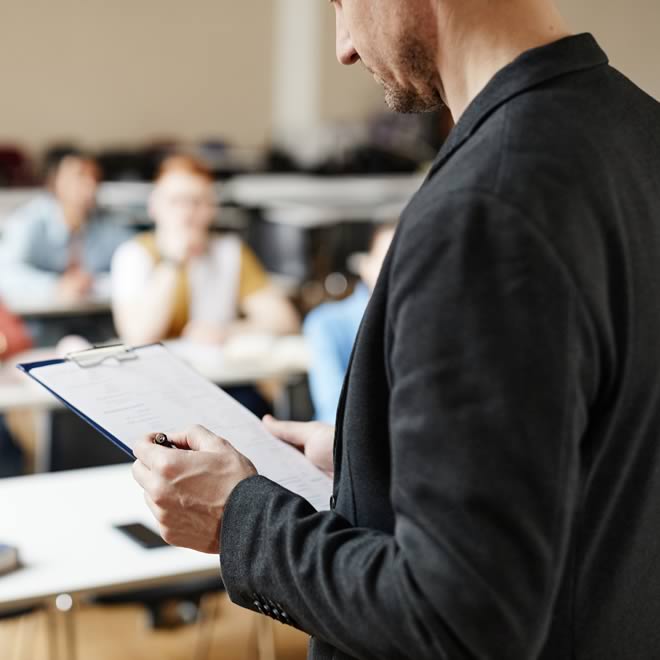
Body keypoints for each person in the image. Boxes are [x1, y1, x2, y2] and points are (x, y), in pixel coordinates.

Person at [131, 1, 660, 659]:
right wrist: (374, 460)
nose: (344, 46)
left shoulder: (485, 205)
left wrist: (239, 518)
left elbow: (458, 620)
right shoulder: (639, 132)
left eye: (341, 4)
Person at [111, 155, 299, 346]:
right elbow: (138, 337)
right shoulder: (132, 255)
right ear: (154, 206)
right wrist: (173, 261)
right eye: (176, 201)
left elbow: (285, 321)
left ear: (212, 209)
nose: (187, 212)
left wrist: (227, 331)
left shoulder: (230, 252)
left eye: (198, 201)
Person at [0, 148, 132, 307]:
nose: (89, 185)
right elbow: (5, 274)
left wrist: (92, 284)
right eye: (79, 176)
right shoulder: (28, 222)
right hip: (39, 322)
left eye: (94, 177)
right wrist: (55, 287)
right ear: (54, 182)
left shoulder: (105, 225)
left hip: (92, 320)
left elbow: (136, 259)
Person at [304, 223, 395, 423]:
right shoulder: (325, 323)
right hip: (340, 439)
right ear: (365, 265)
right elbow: (333, 408)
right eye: (388, 261)